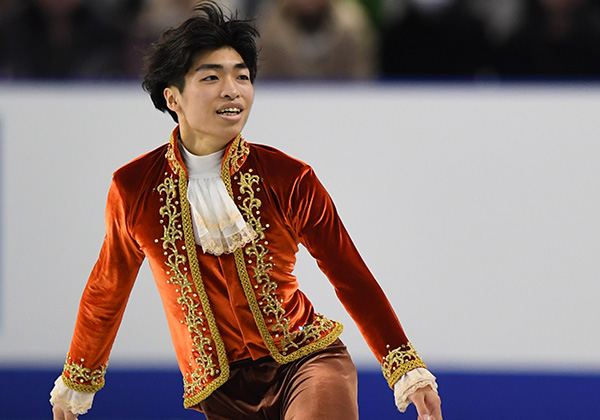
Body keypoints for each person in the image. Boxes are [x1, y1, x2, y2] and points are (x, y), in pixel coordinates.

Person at [49, 2, 443, 419]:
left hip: (306, 362)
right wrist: (76, 383)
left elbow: (349, 273)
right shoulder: (134, 188)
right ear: (173, 97)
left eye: (242, 76)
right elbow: (106, 291)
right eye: (211, 77)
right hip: (220, 391)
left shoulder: (287, 177)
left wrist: (405, 367)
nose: (232, 90)